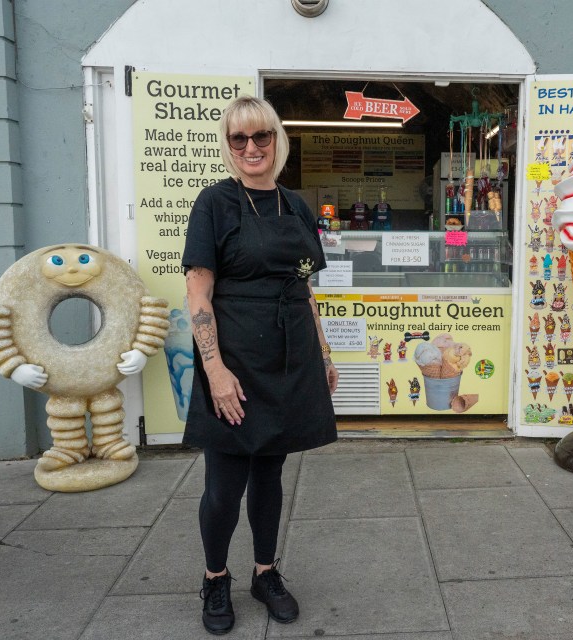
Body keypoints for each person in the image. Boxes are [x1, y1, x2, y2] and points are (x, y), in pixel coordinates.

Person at [181, 95, 338, 635]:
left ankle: (265, 573)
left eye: (261, 136)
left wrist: (322, 354)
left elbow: (305, 287)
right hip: (236, 359)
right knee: (225, 483)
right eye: (239, 139)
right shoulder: (215, 203)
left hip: (291, 357)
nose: (252, 148)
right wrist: (216, 370)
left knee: (270, 473)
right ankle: (215, 576)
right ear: (228, 146)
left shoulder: (294, 205)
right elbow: (198, 294)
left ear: (277, 140)